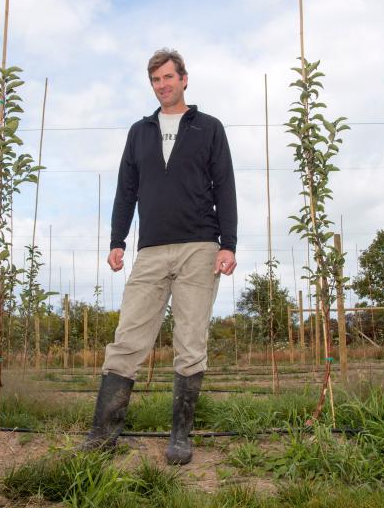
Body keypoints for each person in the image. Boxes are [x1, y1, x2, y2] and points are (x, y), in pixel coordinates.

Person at [83, 48, 237, 465]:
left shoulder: (209, 128)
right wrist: (118, 239)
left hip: (199, 247)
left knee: (190, 341)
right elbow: (126, 189)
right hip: (150, 250)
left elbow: (224, 186)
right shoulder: (139, 131)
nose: (163, 85)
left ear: (184, 79)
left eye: (169, 77)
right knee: (128, 338)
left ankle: (181, 436)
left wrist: (229, 244)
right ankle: (103, 435)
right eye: (155, 80)